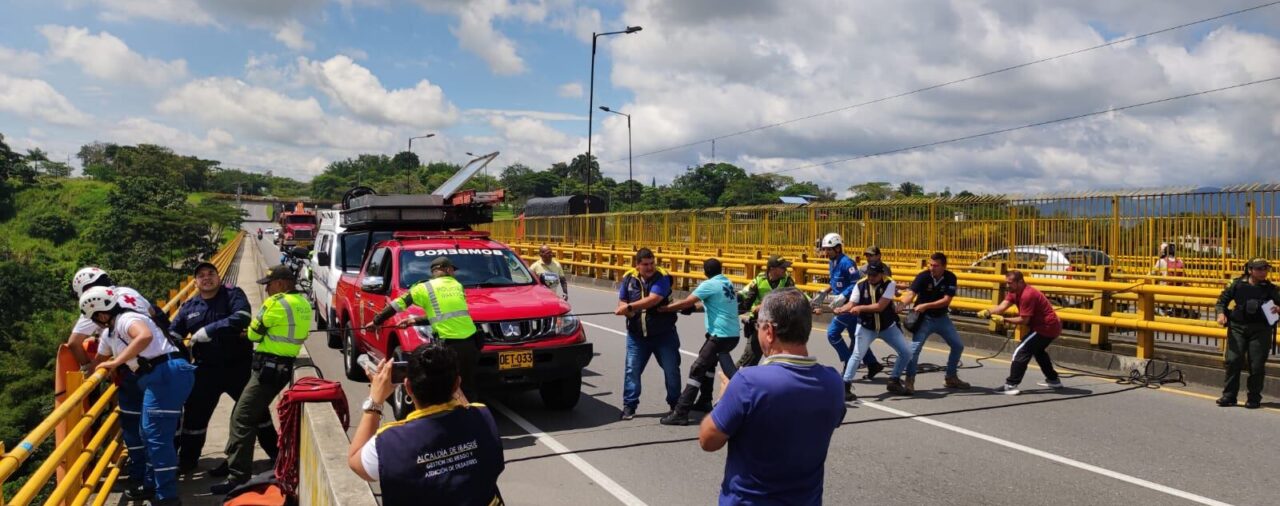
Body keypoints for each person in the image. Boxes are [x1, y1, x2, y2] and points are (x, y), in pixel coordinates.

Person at [699, 288, 845, 505]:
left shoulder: (748, 383)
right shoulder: (833, 382)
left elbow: (708, 440)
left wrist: (724, 397)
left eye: (758, 326)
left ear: (769, 331)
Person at [348, 343, 505, 506]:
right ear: (457, 384)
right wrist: (448, 382)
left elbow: (354, 461)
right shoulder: (483, 418)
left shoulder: (388, 443)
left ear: (408, 387)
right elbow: (465, 408)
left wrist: (375, 400)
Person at [80, 286, 195, 506]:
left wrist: (116, 361)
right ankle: (155, 487)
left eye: (94, 319)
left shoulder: (127, 318)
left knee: (156, 437)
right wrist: (89, 373)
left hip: (165, 373)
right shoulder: (109, 333)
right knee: (148, 434)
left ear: (102, 314)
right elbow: (98, 362)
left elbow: (144, 336)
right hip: (158, 376)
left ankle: (167, 497)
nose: (94, 324)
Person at [211, 265, 312, 494]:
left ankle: (237, 476)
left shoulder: (276, 303)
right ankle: (232, 459)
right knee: (243, 411)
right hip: (282, 367)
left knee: (242, 418)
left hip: (267, 369)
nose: (266, 290)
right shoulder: (304, 303)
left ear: (283, 283)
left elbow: (255, 333)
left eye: (269, 284)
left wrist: (249, 332)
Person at [171, 261, 277, 475]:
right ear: (195, 282)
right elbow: (173, 333)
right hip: (205, 370)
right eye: (201, 275)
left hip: (238, 367)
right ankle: (188, 461)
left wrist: (210, 330)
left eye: (211, 273)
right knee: (194, 418)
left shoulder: (232, 294)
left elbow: (242, 317)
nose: (206, 277)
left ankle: (277, 455)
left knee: (256, 413)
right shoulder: (189, 307)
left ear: (218, 277)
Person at [67, 267, 160, 500]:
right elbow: (153, 313)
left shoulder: (97, 302)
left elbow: (74, 343)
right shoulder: (129, 292)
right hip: (160, 363)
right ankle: (155, 474)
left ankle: (143, 478)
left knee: (134, 423)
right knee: (155, 424)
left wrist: (88, 369)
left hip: (132, 370)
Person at [366, 256, 484, 401]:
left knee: (447, 390)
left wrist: (376, 321)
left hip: (449, 346)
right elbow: (445, 316)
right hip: (471, 344)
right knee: (468, 387)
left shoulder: (423, 288)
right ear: (446, 269)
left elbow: (396, 305)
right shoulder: (457, 286)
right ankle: (473, 418)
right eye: (453, 270)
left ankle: (451, 420)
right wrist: (414, 320)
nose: (454, 273)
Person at [659, 258, 741, 426]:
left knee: (697, 369)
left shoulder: (708, 284)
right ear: (721, 269)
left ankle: (681, 412)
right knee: (709, 366)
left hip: (720, 335)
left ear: (705, 272)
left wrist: (664, 309)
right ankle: (704, 401)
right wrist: (693, 309)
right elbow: (712, 305)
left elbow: (687, 301)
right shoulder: (727, 283)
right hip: (732, 334)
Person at [613, 248, 682, 420]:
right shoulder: (629, 278)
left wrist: (630, 308)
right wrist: (624, 310)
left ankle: (675, 406)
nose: (650, 267)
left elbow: (654, 299)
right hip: (637, 336)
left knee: (671, 370)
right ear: (637, 265)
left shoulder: (663, 276)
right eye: (645, 264)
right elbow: (622, 299)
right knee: (632, 370)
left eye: (652, 263)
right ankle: (629, 406)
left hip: (664, 335)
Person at [836, 262, 917, 399]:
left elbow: (880, 306)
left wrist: (860, 308)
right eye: (869, 275)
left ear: (881, 274)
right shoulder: (860, 284)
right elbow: (852, 303)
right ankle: (845, 386)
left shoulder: (889, 283)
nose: (871, 278)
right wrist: (842, 309)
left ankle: (894, 380)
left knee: (906, 352)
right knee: (857, 354)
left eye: (874, 275)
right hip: (867, 326)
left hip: (887, 326)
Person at [978, 270, 1063, 395]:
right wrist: (988, 312)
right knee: (1038, 352)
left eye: (1010, 283)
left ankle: (1011, 385)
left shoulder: (1027, 295)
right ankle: (1053, 380)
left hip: (1046, 327)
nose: (1008, 285)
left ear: (1020, 282)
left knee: (1021, 351)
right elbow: (1002, 307)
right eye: (1006, 283)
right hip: (1047, 327)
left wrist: (1004, 320)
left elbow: (1024, 320)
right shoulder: (1014, 292)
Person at [814, 233, 884, 379]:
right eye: (825, 249)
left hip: (849, 304)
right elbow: (835, 282)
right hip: (840, 304)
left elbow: (856, 283)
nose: (826, 253)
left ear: (838, 248)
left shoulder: (847, 263)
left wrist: (844, 295)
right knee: (855, 336)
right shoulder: (832, 262)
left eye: (829, 249)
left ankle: (849, 361)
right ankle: (872, 364)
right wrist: (824, 292)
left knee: (832, 334)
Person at [1214, 258, 1280, 409]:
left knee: (1256, 364)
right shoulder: (1237, 284)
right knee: (1233, 360)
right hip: (1238, 327)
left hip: (1260, 330)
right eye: (1259, 269)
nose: (1263, 272)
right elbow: (1221, 302)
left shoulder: (1271, 289)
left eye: (1265, 269)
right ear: (1250, 270)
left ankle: (1254, 398)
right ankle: (1229, 396)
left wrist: (1278, 309)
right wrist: (1220, 314)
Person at [900, 252, 970, 391]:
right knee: (914, 350)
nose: (932, 268)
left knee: (958, 346)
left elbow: (946, 300)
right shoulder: (923, 276)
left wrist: (926, 305)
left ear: (944, 266)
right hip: (924, 319)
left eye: (936, 266)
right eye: (930, 265)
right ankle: (909, 380)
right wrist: (901, 305)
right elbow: (911, 293)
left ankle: (951, 377)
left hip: (942, 318)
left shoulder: (950, 277)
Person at [735, 255, 802, 369]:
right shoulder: (759, 280)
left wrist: (765, 304)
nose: (785, 270)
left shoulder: (787, 281)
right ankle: (732, 381)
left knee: (782, 360)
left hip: (779, 325)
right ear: (772, 269)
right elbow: (746, 303)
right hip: (759, 324)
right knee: (749, 359)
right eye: (782, 267)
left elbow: (792, 299)